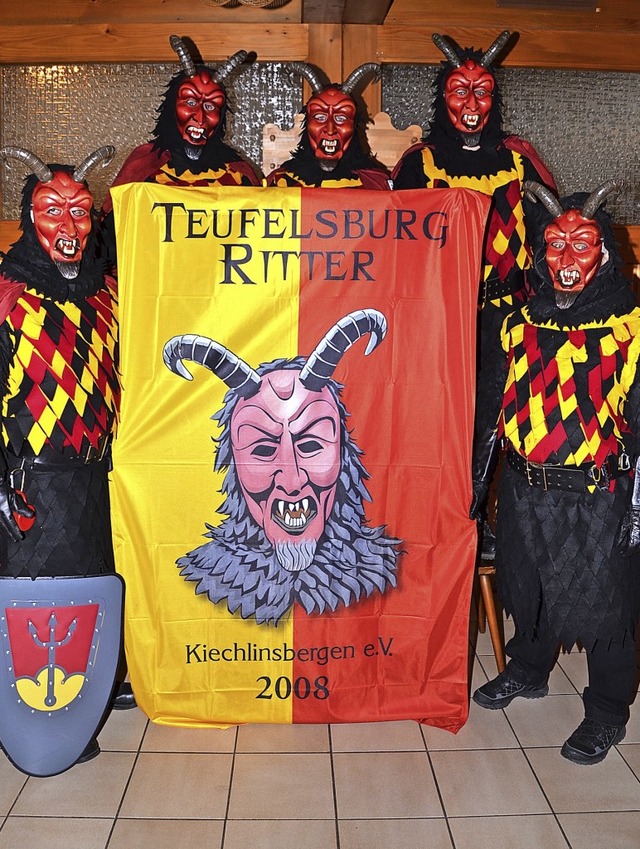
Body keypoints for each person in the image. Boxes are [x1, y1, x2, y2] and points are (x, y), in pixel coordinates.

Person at [470, 178, 640, 765]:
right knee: (529, 582)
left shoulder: (633, 325)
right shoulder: (518, 320)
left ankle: (607, 712)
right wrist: (475, 482)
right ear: (540, 254)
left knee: (608, 604)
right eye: (555, 244)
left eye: (583, 243)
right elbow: (492, 401)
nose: (567, 258)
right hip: (524, 485)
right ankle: (529, 668)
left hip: (599, 491)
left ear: (605, 253)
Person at [392, 31, 556, 557]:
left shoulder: (519, 159)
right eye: (460, 90)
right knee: (432, 412)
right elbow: (396, 240)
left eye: (482, 90)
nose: (471, 102)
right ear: (443, 97)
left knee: (489, 415)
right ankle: (428, 516)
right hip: (437, 313)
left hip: (503, 311)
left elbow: (549, 234)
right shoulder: (420, 162)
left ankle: (473, 518)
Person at [0, 145, 132, 761]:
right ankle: (22, 722)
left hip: (92, 481)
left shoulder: (109, 292)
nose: (69, 225)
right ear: (29, 219)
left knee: (83, 598)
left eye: (80, 210)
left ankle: (75, 711)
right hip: (29, 483)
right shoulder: (6, 294)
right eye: (52, 210)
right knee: (28, 607)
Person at [101, 35, 261, 261]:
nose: (200, 116)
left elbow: (260, 239)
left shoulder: (238, 174)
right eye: (191, 102)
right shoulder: (145, 163)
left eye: (211, 106)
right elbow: (111, 236)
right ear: (171, 106)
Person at [266, 62, 390, 189]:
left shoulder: (376, 185)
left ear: (354, 126)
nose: (330, 129)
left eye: (341, 118)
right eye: (320, 117)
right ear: (307, 123)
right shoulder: (281, 182)